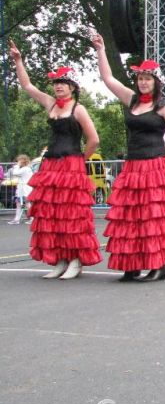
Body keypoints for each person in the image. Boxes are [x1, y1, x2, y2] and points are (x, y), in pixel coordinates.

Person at [92, 33, 165, 282]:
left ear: (157, 82)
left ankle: (158, 265)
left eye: (147, 79)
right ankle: (133, 263)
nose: (143, 83)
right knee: (130, 216)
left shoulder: (164, 107)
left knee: (151, 216)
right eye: (140, 79)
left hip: (155, 167)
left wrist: (164, 152)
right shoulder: (131, 100)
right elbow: (107, 79)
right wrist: (101, 49)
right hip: (133, 166)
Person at [10, 39, 102, 279]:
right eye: (56, 83)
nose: (58, 86)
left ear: (72, 86)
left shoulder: (78, 109)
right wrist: (19, 61)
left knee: (71, 213)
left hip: (71, 164)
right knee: (52, 213)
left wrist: (81, 160)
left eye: (63, 83)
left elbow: (93, 139)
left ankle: (75, 260)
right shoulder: (50, 103)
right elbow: (28, 86)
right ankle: (60, 259)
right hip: (51, 165)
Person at [7, 154, 33, 225]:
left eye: (19, 160)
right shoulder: (25, 168)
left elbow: (15, 173)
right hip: (22, 189)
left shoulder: (25, 169)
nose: (17, 161)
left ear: (22, 161)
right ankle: (17, 219)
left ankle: (32, 218)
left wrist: (17, 165)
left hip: (25, 189)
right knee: (19, 203)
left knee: (27, 203)